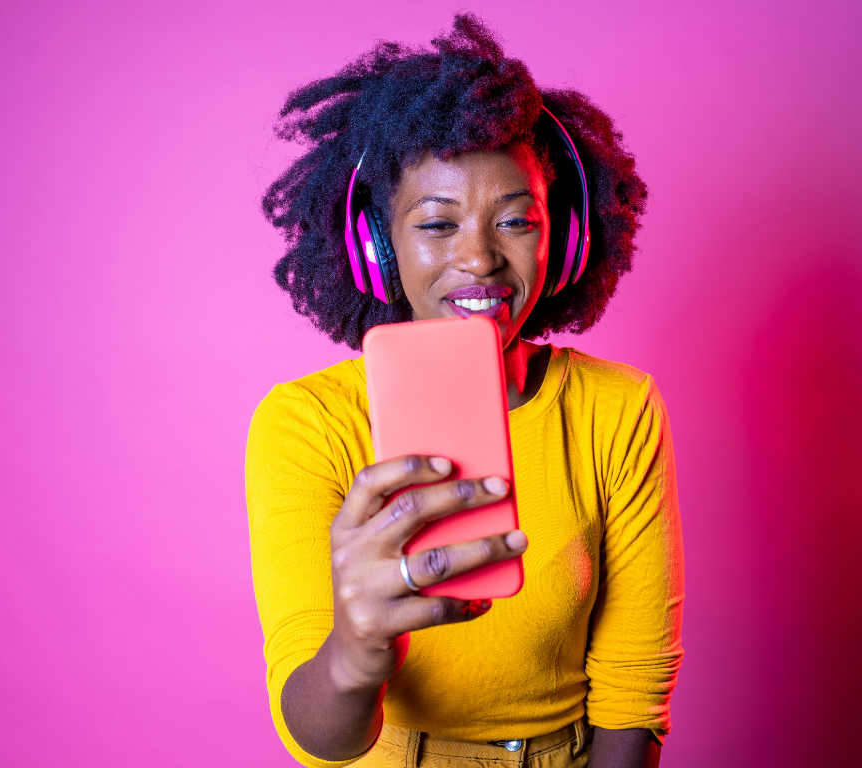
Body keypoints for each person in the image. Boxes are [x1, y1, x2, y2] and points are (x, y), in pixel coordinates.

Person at [246, 14, 684, 768]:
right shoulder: (307, 423)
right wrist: (353, 652)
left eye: (516, 220)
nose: (479, 258)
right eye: (437, 224)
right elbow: (319, 736)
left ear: (566, 236)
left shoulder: (618, 409)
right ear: (375, 248)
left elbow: (632, 695)